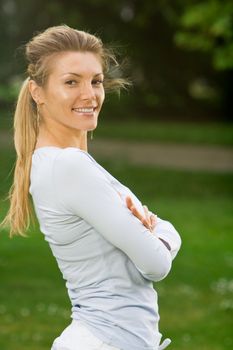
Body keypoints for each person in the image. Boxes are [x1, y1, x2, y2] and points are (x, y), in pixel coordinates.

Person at [1, 25, 181, 350]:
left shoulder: (57, 163)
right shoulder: (68, 166)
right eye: (71, 82)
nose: (90, 94)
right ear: (37, 92)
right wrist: (166, 235)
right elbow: (156, 264)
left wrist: (155, 238)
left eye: (96, 81)